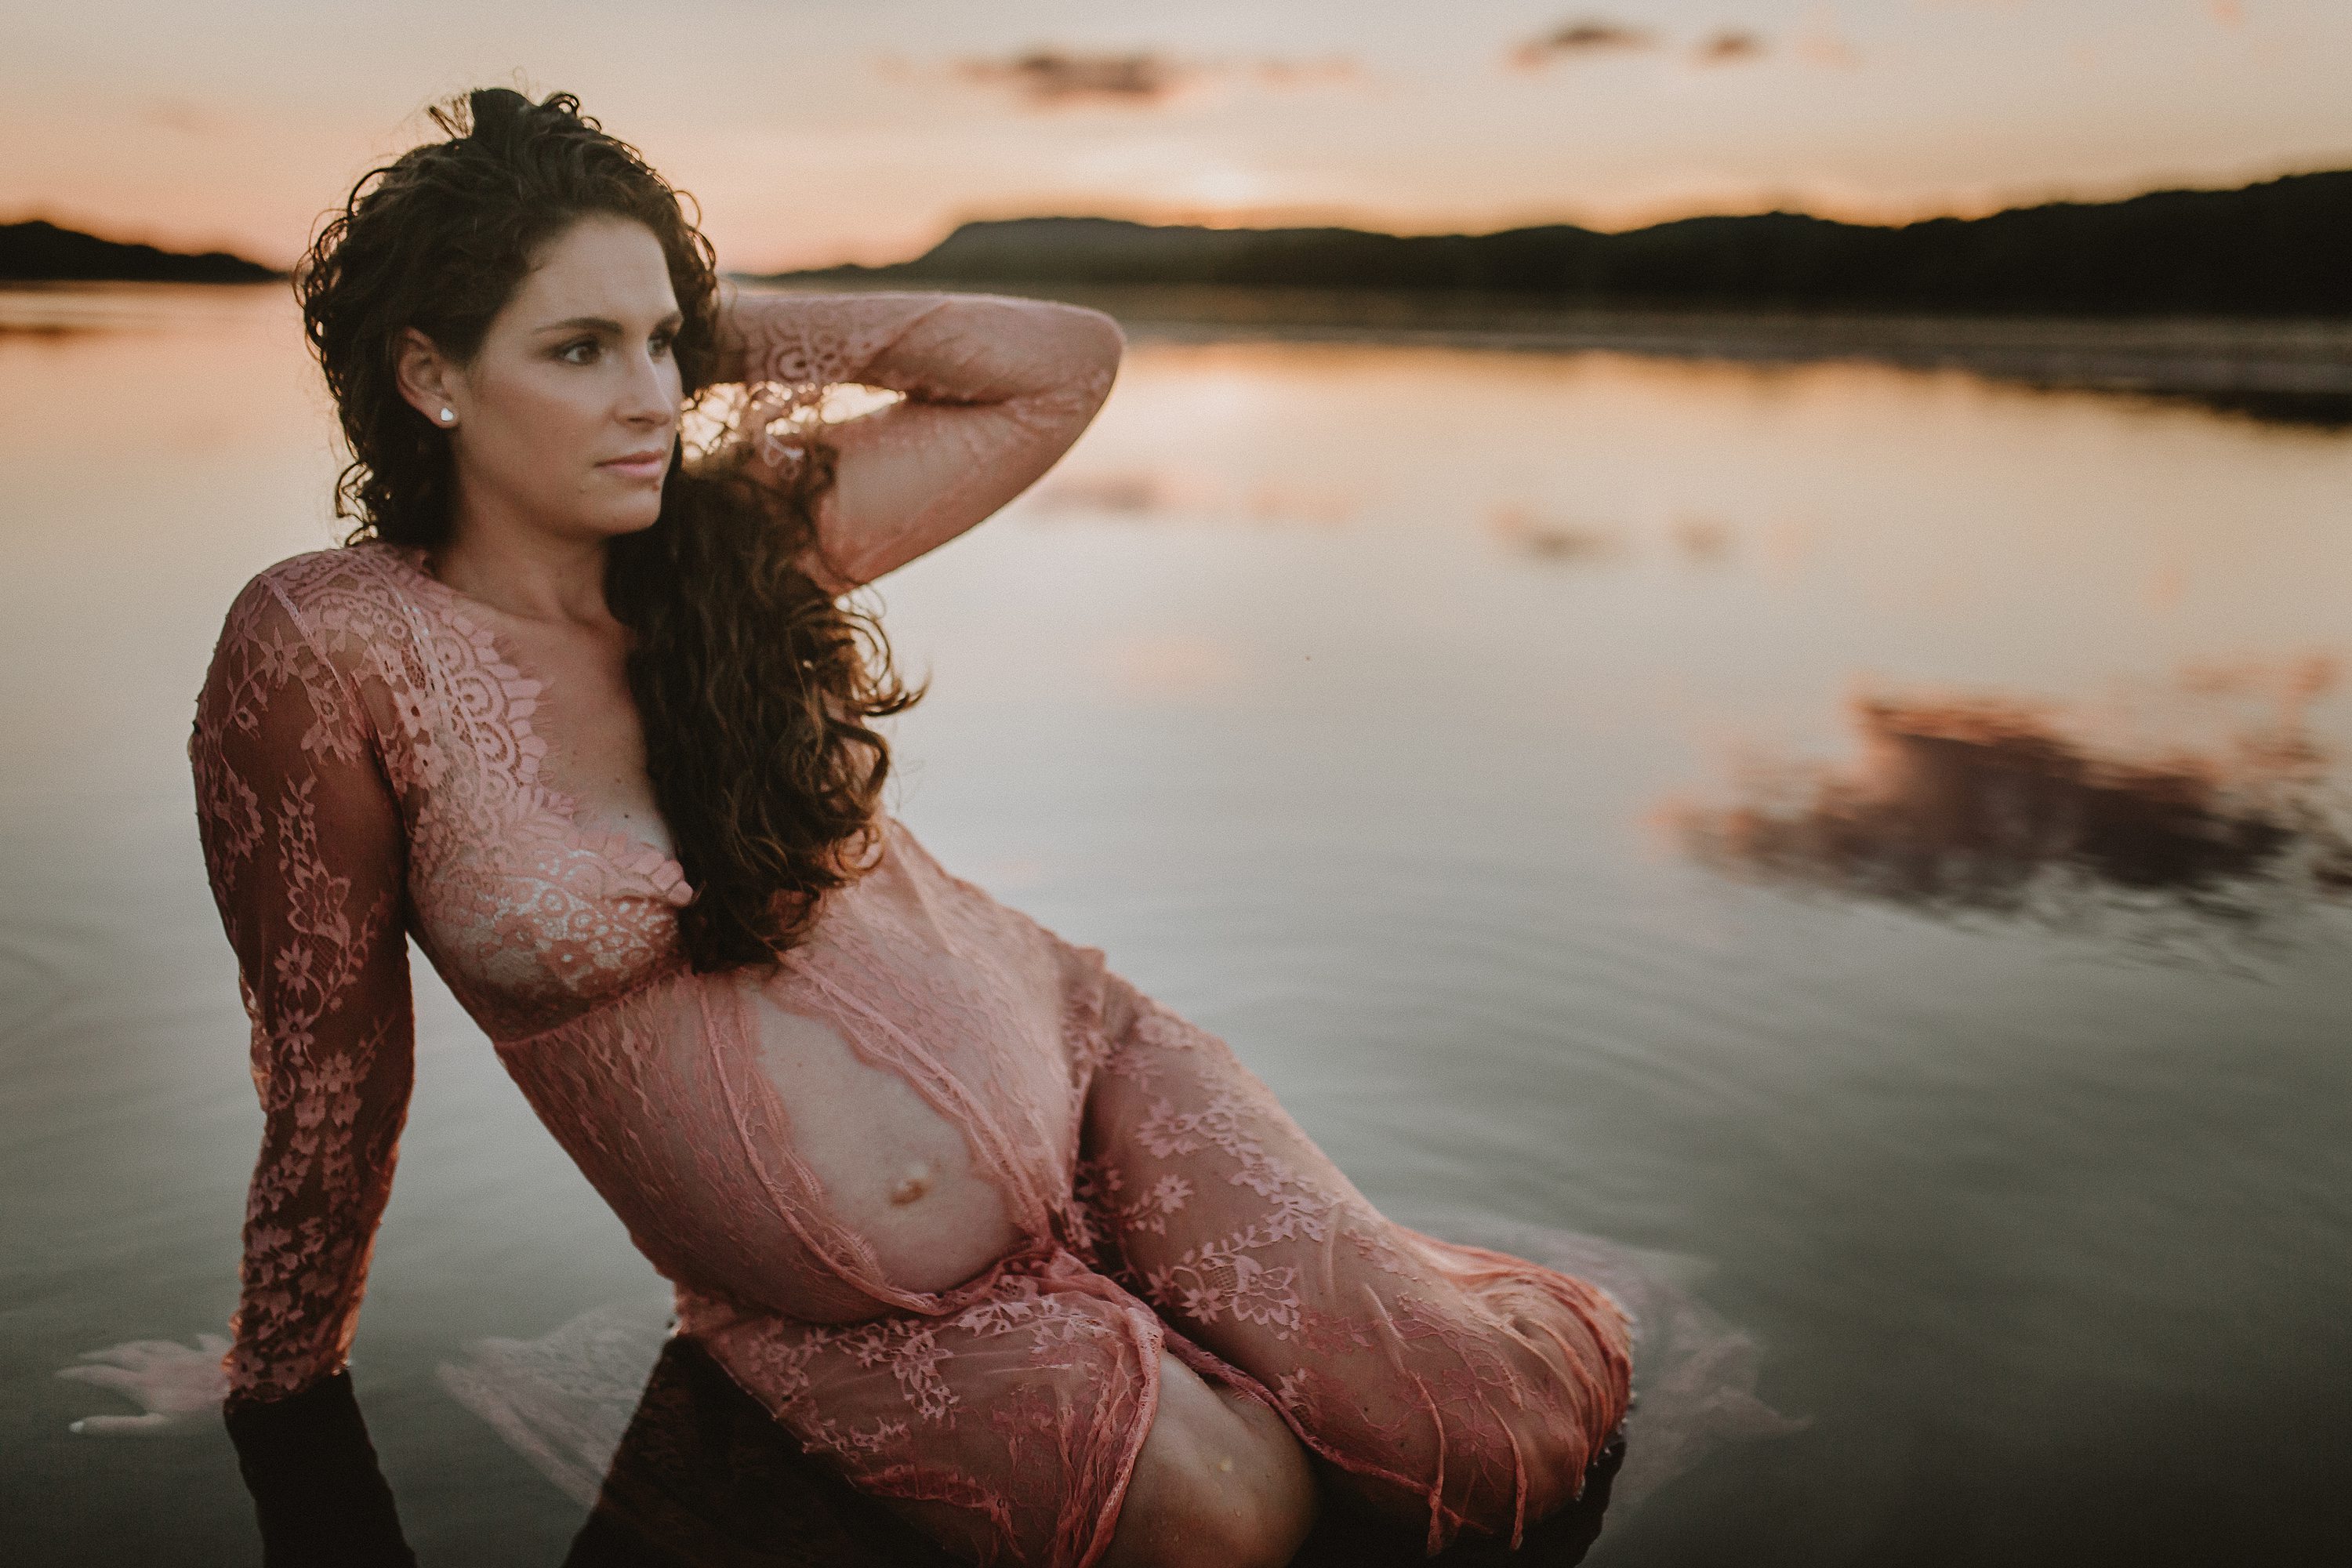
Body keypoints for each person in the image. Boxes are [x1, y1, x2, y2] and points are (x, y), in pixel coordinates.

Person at [185, 87, 1632, 1568]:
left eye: (663, 343)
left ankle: (1450, 1308)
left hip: (1095, 1079)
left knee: (1483, 1452)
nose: (651, 398)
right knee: (1229, 1523)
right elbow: (329, 1081)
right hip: (855, 1319)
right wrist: (275, 1392)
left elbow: (1061, 368)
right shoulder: (331, 650)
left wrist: (712, 318)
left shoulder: (737, 539)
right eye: (578, 349)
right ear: (431, 373)